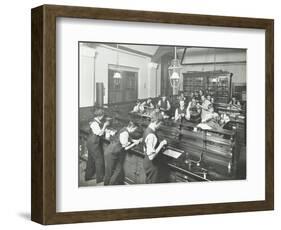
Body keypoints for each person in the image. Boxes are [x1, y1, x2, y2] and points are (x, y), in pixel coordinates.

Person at [104, 121, 142, 185]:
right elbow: (125, 148)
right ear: (132, 127)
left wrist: (137, 141)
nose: (134, 131)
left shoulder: (124, 129)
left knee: (118, 170)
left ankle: (110, 184)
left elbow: (128, 139)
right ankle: (106, 185)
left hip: (116, 152)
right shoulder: (125, 132)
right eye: (135, 130)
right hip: (111, 153)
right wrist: (134, 144)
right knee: (109, 172)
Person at [143, 112, 168, 183]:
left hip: (146, 161)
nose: (160, 126)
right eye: (161, 124)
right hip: (152, 165)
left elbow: (145, 148)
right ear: (157, 122)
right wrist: (161, 144)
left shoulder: (147, 129)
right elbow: (151, 157)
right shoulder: (151, 135)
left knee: (148, 182)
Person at [85, 109, 110, 183]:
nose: (103, 118)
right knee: (99, 160)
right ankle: (100, 178)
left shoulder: (95, 121)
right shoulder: (94, 123)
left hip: (90, 142)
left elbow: (98, 130)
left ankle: (88, 176)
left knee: (90, 160)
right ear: (100, 116)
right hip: (93, 144)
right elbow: (99, 133)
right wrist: (105, 126)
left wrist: (104, 127)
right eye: (103, 116)